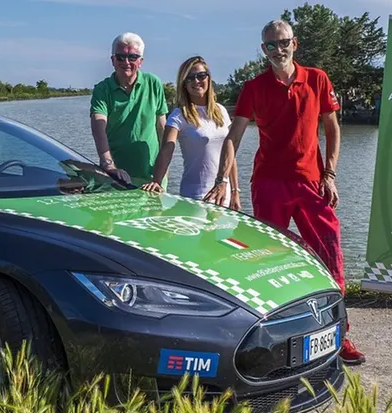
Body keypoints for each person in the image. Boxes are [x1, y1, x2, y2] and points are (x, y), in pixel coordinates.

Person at [203, 19, 366, 365]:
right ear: (263, 50)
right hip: (268, 184)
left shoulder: (317, 79)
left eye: (283, 43)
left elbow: (332, 128)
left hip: (311, 183)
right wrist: (222, 179)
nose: (278, 50)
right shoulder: (254, 87)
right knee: (265, 261)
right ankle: (271, 342)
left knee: (330, 252)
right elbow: (234, 136)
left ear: (296, 43)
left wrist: (331, 173)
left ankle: (341, 334)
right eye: (270, 46)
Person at [141, 56, 241, 210]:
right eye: (190, 78)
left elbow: (230, 154)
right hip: (196, 196)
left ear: (208, 78)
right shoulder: (179, 115)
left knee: (224, 235)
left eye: (201, 76)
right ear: (184, 84)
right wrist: (157, 181)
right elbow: (167, 149)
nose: (196, 81)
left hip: (223, 194)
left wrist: (235, 192)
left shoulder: (221, 111)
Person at [90, 32, 169, 186]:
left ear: (140, 61)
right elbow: (99, 127)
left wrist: (163, 170)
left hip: (152, 177)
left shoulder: (153, 83)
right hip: (117, 178)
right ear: (113, 60)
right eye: (120, 57)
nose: (126, 62)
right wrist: (109, 166)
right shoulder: (102, 89)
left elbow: (162, 128)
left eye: (132, 57)